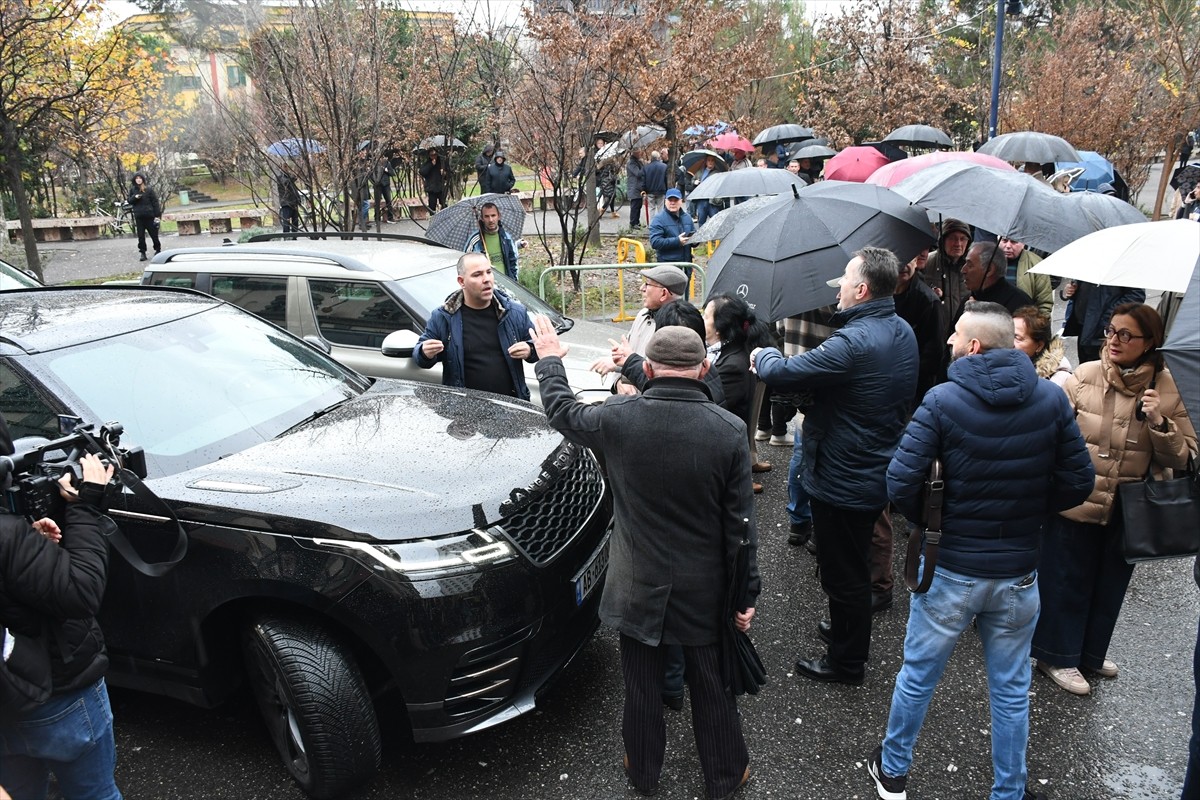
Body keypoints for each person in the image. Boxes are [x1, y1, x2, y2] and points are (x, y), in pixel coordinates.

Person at [869, 302, 1094, 800]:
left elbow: (900, 479)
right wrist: (1030, 512)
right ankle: (1008, 791)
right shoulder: (1050, 400)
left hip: (951, 567)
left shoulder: (942, 400)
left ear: (973, 345)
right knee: (1011, 690)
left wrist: (931, 521)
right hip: (1018, 573)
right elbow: (1079, 480)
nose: (948, 341)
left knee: (918, 676)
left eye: (955, 335)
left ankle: (894, 774)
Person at [530, 319, 758, 800]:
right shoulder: (728, 430)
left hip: (636, 584)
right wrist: (745, 595)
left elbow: (562, 410)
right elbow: (740, 529)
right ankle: (724, 774)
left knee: (641, 687)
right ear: (704, 370)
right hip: (706, 588)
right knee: (712, 687)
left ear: (649, 368)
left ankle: (643, 772)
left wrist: (550, 358)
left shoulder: (618, 416)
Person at [751, 246, 917, 684]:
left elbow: (783, 372)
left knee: (844, 573)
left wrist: (761, 356)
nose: (838, 286)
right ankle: (845, 629)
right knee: (851, 563)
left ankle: (846, 662)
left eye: (844, 278)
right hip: (872, 464)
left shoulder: (854, 340)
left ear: (862, 289)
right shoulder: (900, 329)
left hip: (844, 473)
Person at [1031, 303, 1197, 696]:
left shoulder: (1170, 388)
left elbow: (1187, 456)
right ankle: (1057, 655)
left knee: (1110, 584)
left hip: (1130, 504)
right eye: (1110, 331)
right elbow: (1052, 434)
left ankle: (1089, 652)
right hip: (1078, 497)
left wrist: (1161, 424)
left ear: (1150, 342)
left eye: (1126, 335)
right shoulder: (1084, 375)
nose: (1114, 341)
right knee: (1067, 579)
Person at [0, 416, 123, 800]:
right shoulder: (5, 535)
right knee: (95, 794)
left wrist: (29, 548)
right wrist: (87, 507)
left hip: (8, 701)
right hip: (58, 694)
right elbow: (80, 592)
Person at [414, 252, 537, 401]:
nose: (486, 279)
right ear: (461, 281)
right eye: (477, 275)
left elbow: (538, 348)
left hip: (512, 408)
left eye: (489, 272)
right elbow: (420, 357)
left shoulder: (514, 312)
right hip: (464, 411)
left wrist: (529, 349)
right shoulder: (444, 316)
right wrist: (424, 352)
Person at [590, 265, 688, 392]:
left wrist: (617, 367)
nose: (641, 288)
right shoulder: (642, 315)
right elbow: (624, 357)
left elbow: (663, 375)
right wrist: (619, 382)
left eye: (647, 284)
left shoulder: (678, 326)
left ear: (663, 293)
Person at [893, 248, 941, 410]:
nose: (903, 265)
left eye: (909, 259)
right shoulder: (879, 293)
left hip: (910, 387)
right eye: (898, 259)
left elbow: (932, 353)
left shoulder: (927, 300)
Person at [1060, 281, 1145, 364]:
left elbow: (1136, 295)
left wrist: (1109, 317)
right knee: (1085, 369)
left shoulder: (1125, 268)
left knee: (1101, 370)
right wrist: (1073, 288)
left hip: (1104, 331)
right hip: (1084, 326)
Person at [920, 218, 971, 348]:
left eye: (963, 239)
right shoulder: (927, 262)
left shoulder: (972, 266)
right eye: (953, 238)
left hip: (963, 337)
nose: (958, 244)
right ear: (943, 241)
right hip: (932, 334)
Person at [958, 241, 1035, 316]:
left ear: (989, 270)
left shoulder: (1020, 304)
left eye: (970, 265)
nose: (963, 270)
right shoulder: (969, 298)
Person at [1012, 305, 1071, 386]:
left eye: (1017, 338)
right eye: (1007, 334)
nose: (1009, 341)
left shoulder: (1058, 379)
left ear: (1039, 346)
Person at [465, 202, 524, 281]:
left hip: (506, 285)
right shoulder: (475, 240)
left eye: (493, 215)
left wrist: (514, 282)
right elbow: (466, 264)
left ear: (499, 216)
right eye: (486, 216)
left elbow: (513, 262)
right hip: (485, 285)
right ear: (482, 218)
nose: (490, 220)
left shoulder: (506, 238)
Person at [997, 237, 1052, 316]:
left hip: (1023, 322)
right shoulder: (988, 260)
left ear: (1023, 244)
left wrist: (1038, 325)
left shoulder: (1035, 264)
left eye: (1014, 241)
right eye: (1004, 241)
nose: (1008, 245)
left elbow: (1044, 303)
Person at [648, 189, 696, 276]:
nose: (672, 203)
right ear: (665, 201)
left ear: (681, 201)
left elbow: (693, 237)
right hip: (668, 268)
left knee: (685, 290)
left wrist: (696, 241)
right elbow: (655, 242)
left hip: (686, 266)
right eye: (670, 200)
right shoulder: (658, 219)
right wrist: (677, 241)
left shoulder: (687, 218)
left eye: (676, 200)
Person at [126, 172, 161, 261]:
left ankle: (158, 250)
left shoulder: (148, 189)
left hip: (149, 216)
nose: (138, 180)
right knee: (141, 236)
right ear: (134, 180)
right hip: (139, 216)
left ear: (142, 179)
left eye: (140, 178)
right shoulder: (133, 190)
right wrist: (135, 197)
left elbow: (155, 202)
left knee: (154, 235)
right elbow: (129, 201)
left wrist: (157, 215)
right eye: (137, 178)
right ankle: (142, 252)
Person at [419, 149, 448, 213]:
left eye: (435, 155)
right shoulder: (427, 163)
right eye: (431, 155)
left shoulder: (442, 163)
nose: (433, 157)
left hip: (441, 187)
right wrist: (431, 164)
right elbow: (422, 172)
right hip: (431, 188)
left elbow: (449, 174)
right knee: (432, 206)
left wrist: (445, 174)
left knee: (444, 205)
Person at [642, 150, 667, 219]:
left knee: (651, 209)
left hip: (650, 191)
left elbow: (643, 181)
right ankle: (661, 224)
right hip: (661, 190)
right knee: (661, 209)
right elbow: (666, 179)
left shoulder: (646, 167)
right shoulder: (664, 166)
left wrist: (643, 191)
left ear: (651, 158)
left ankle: (652, 225)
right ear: (658, 157)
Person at [276, 169, 301, 234]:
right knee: (286, 222)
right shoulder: (280, 177)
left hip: (294, 201)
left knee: (295, 221)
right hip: (286, 203)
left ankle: (294, 236)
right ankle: (287, 237)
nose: (287, 168)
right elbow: (286, 182)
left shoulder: (289, 176)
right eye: (285, 166)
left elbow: (294, 180)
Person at [626, 150, 645, 229]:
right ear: (635, 153)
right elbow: (638, 173)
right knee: (635, 206)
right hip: (634, 187)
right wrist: (645, 168)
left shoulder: (638, 162)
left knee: (639, 205)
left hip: (638, 187)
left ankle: (637, 221)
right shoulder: (631, 163)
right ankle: (633, 223)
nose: (640, 153)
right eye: (638, 152)